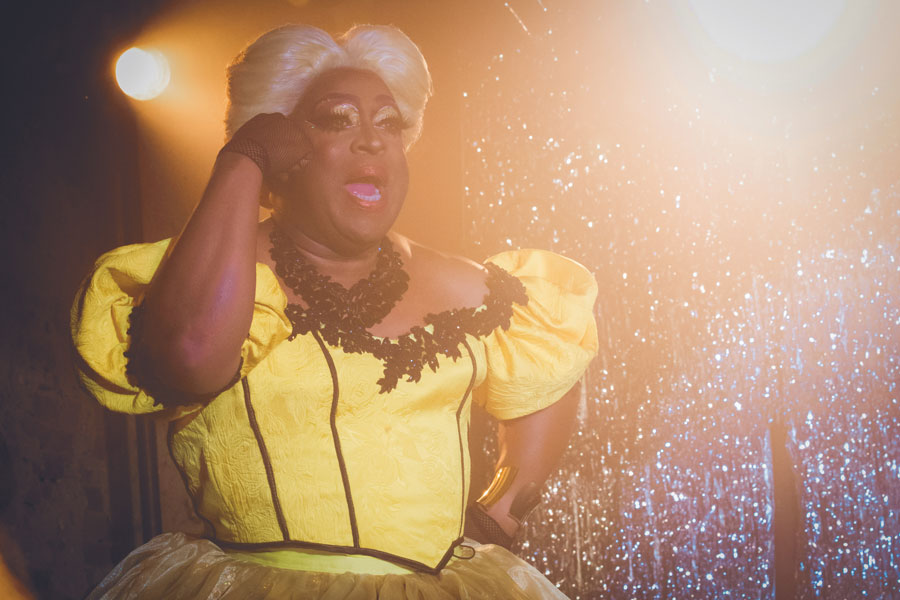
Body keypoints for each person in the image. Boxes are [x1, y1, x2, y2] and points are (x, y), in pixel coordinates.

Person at [71, 23, 598, 599]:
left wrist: (502, 510)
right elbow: (188, 359)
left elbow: (552, 370)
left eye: (389, 122)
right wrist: (243, 160)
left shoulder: (473, 286)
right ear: (285, 143)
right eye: (337, 119)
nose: (372, 140)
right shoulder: (206, 276)